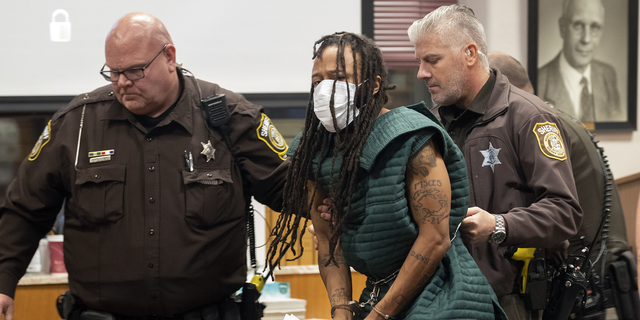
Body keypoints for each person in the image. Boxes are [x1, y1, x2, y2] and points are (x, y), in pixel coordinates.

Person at [0, 12, 289, 319]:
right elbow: (24, 210)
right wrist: (4, 281)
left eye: (135, 70)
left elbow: (292, 190)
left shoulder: (231, 119)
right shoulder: (77, 125)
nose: (123, 83)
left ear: (169, 57)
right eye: (113, 72)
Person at [266, 32, 504, 320]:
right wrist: (341, 311)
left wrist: (379, 315)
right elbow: (328, 242)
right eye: (318, 81)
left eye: (339, 77)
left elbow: (435, 239)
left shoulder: (412, 138)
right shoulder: (315, 149)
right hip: (378, 292)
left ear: (374, 84)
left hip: (444, 298)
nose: (325, 88)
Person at [408, 5, 582, 320]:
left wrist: (500, 225)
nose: (421, 72)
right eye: (419, 61)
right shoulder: (432, 123)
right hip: (442, 295)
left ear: (470, 53)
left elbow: (564, 212)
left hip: (508, 300)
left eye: (432, 60)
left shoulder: (529, 117)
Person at [489, 51, 635, 320]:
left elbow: (556, 215)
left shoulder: (538, 122)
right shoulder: (555, 116)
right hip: (607, 274)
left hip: (588, 283)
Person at [537, 0, 621, 123]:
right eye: (578, 25)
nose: (586, 39)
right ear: (562, 28)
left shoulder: (608, 75)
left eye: (595, 27)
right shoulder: (538, 83)